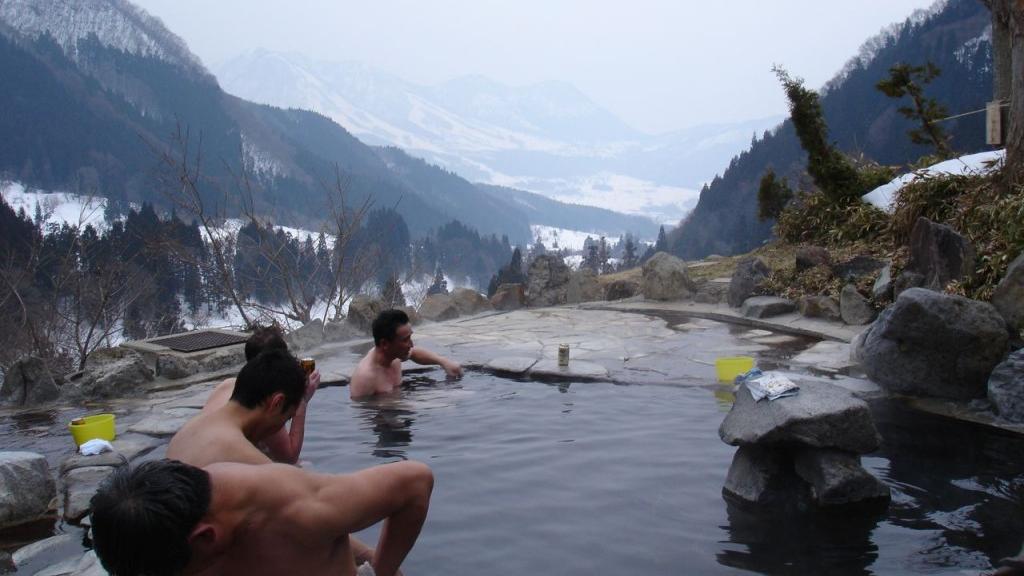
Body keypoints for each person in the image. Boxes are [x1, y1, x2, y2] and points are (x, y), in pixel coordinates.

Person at [89, 458, 433, 576]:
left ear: (205, 537)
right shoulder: (169, 519)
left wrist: (381, 570)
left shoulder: (300, 508)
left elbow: (415, 482)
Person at [167, 349, 311, 467]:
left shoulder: (185, 434)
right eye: (287, 418)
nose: (280, 428)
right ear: (277, 403)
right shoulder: (247, 460)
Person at [202, 326, 319, 464]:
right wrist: (302, 400)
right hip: (219, 463)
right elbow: (289, 458)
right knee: (300, 465)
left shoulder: (229, 384)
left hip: (202, 455)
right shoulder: (265, 404)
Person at [350, 309, 463, 399]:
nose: (411, 344)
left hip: (400, 405)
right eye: (405, 340)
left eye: (410, 337)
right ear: (385, 344)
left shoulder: (394, 356)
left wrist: (443, 362)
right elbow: (364, 411)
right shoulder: (365, 378)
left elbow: (414, 352)